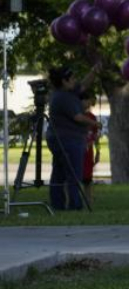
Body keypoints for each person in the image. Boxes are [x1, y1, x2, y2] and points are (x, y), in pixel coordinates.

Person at [46, 64, 101, 211]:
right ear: (64, 81)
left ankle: (57, 204)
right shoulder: (64, 97)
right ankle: (75, 205)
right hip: (68, 140)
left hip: (60, 139)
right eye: (72, 78)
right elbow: (78, 117)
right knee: (74, 174)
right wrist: (95, 123)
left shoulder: (66, 92)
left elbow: (83, 85)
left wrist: (94, 71)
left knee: (59, 172)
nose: (75, 80)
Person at [80, 90, 100, 206]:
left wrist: (98, 151)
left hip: (89, 153)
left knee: (88, 179)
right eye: (85, 100)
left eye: (89, 100)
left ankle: (88, 201)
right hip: (79, 151)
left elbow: (96, 136)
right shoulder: (77, 117)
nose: (88, 103)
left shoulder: (92, 117)